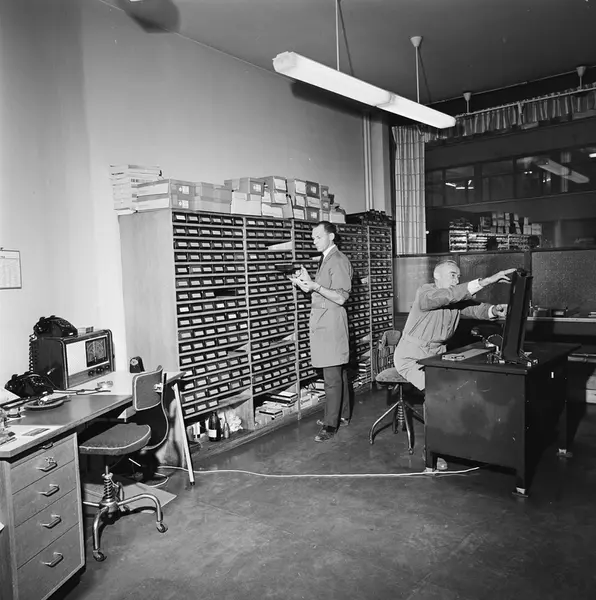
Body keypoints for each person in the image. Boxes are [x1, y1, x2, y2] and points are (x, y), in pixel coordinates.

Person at [394, 260, 514, 392]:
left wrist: (494, 310)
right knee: (438, 392)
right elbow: (448, 295)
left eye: (458, 277)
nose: (456, 281)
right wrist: (486, 281)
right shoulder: (425, 293)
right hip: (411, 359)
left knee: (457, 388)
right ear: (437, 276)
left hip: (436, 356)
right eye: (452, 275)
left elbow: (474, 309)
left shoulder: (454, 300)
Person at [289, 221, 353, 442]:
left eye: (318, 237)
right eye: (313, 238)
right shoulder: (326, 259)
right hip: (324, 321)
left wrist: (315, 286)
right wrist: (306, 282)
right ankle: (343, 415)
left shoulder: (338, 260)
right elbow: (324, 291)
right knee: (338, 372)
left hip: (332, 323)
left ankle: (330, 425)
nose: (314, 241)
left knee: (331, 377)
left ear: (331, 236)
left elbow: (341, 297)